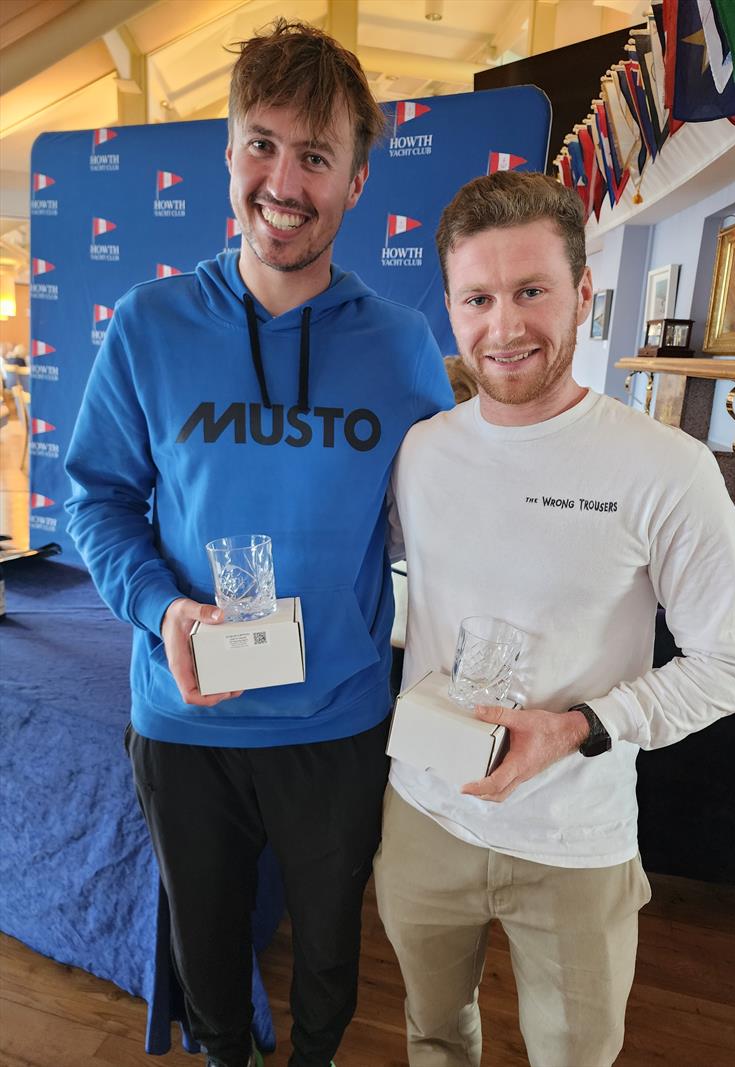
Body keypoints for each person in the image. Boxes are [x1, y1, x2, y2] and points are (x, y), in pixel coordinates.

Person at [65, 19, 452, 1067]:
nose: (284, 181)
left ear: (357, 180)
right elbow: (94, 501)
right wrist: (162, 607)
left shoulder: (401, 346)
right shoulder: (147, 324)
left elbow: (446, 516)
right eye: (263, 145)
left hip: (335, 719)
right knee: (205, 946)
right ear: (230, 152)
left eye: (315, 157)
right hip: (188, 720)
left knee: (330, 949)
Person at [375, 170, 735, 1067]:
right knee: (434, 1036)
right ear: (449, 305)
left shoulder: (664, 468)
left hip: (574, 837)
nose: (504, 327)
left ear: (583, 294)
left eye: (531, 291)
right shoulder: (421, 453)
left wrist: (584, 725)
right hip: (424, 814)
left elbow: (733, 661)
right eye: (478, 297)